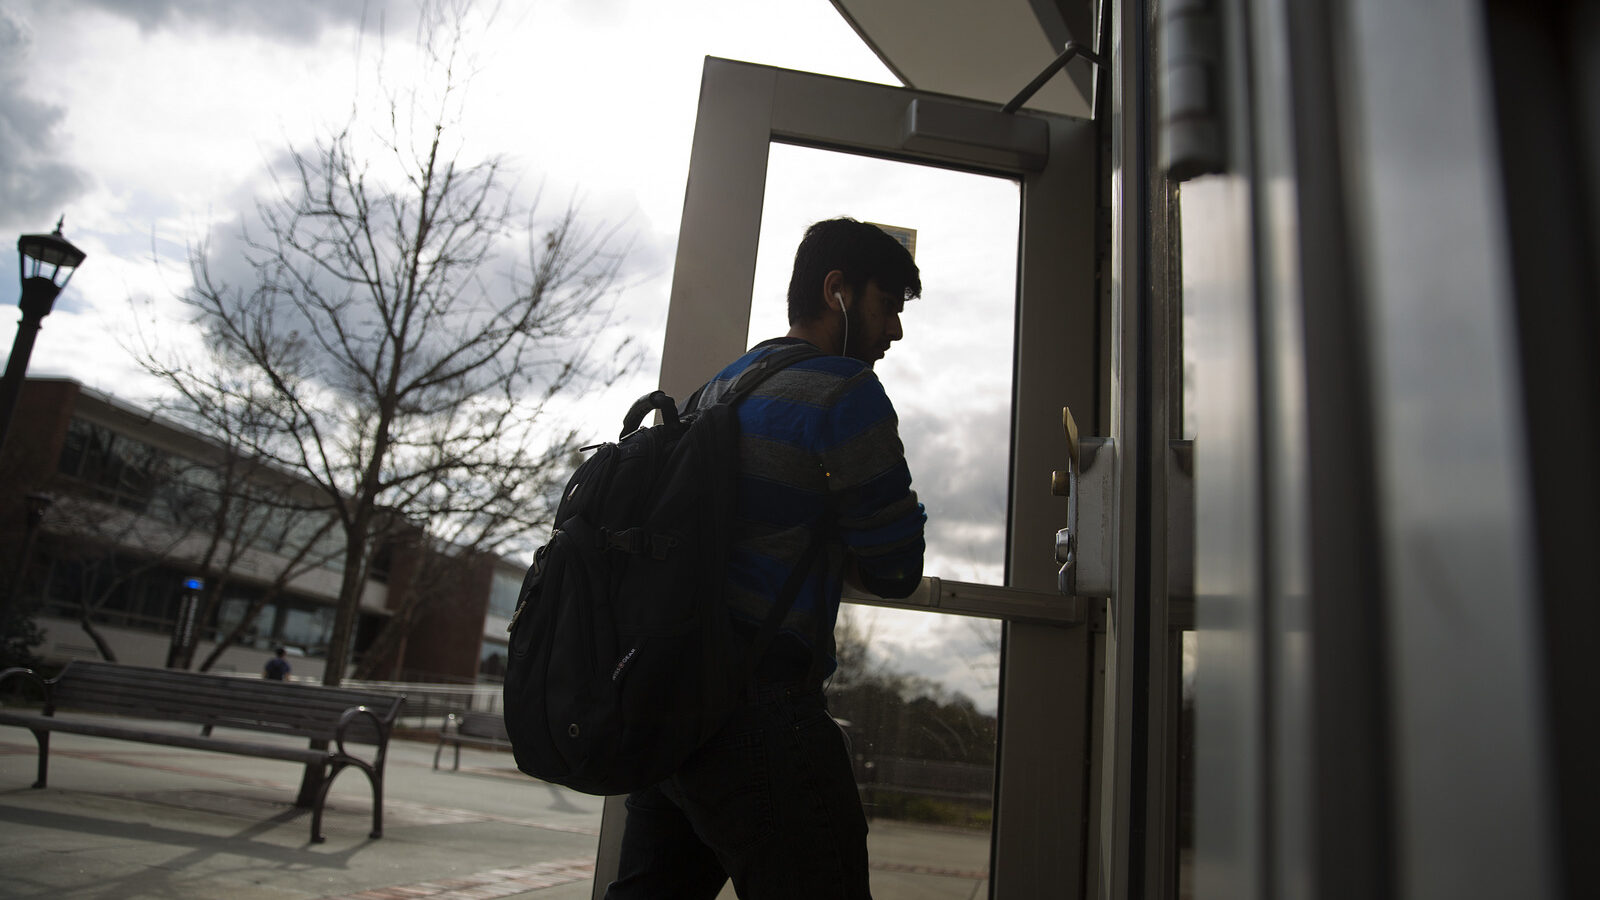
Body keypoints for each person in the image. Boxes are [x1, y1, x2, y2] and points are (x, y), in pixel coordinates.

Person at [605, 218, 926, 899]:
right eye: (887, 305)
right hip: (762, 713)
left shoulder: (722, 387)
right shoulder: (845, 394)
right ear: (836, 289)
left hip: (674, 707)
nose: (894, 330)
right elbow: (898, 567)